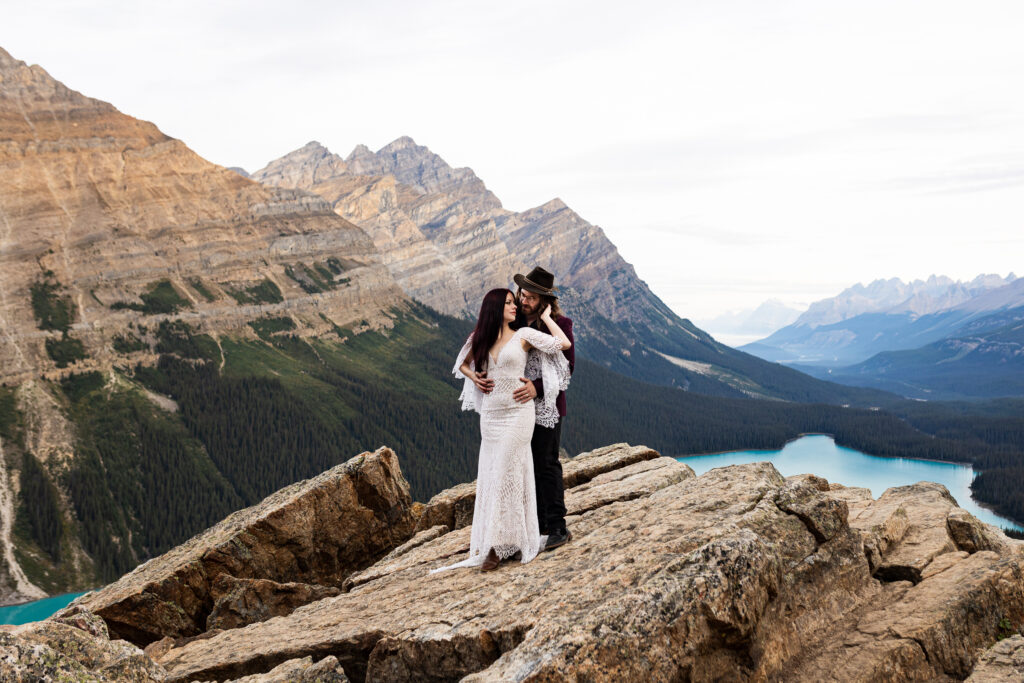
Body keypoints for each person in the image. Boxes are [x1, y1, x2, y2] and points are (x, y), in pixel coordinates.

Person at [436, 288, 571, 573]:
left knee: (508, 471)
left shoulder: (523, 335)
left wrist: (546, 316)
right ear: (495, 308)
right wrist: (474, 376)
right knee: (496, 474)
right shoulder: (479, 339)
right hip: (492, 417)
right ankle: (512, 537)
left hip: (518, 414)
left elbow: (563, 343)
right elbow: (460, 363)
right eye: (509, 302)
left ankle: (498, 547)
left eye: (515, 301)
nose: (516, 306)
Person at [511, 267, 575, 549]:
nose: (524, 300)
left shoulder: (562, 323)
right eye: (523, 294)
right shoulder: (513, 321)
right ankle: (536, 525)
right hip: (517, 405)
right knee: (526, 464)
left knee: (547, 464)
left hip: (547, 404)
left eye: (530, 297)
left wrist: (537, 386)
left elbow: (568, 365)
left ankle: (558, 527)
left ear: (544, 301)